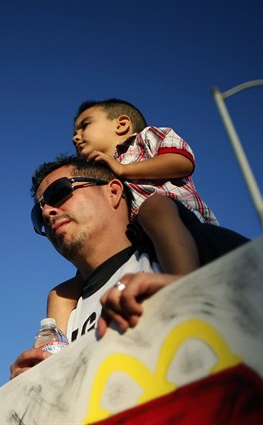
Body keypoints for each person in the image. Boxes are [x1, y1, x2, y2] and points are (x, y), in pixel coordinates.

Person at [10, 155, 247, 380]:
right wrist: (31, 389)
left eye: (59, 192)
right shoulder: (64, 316)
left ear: (113, 191)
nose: (47, 212)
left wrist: (189, 295)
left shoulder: (188, 247)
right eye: (37, 215)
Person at [48, 99, 220, 332]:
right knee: (64, 290)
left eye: (84, 125)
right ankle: (52, 346)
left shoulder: (147, 138)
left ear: (122, 124)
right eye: (74, 133)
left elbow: (182, 161)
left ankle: (183, 281)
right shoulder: (101, 173)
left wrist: (125, 170)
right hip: (136, 235)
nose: (75, 137)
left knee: (154, 207)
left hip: (175, 219)